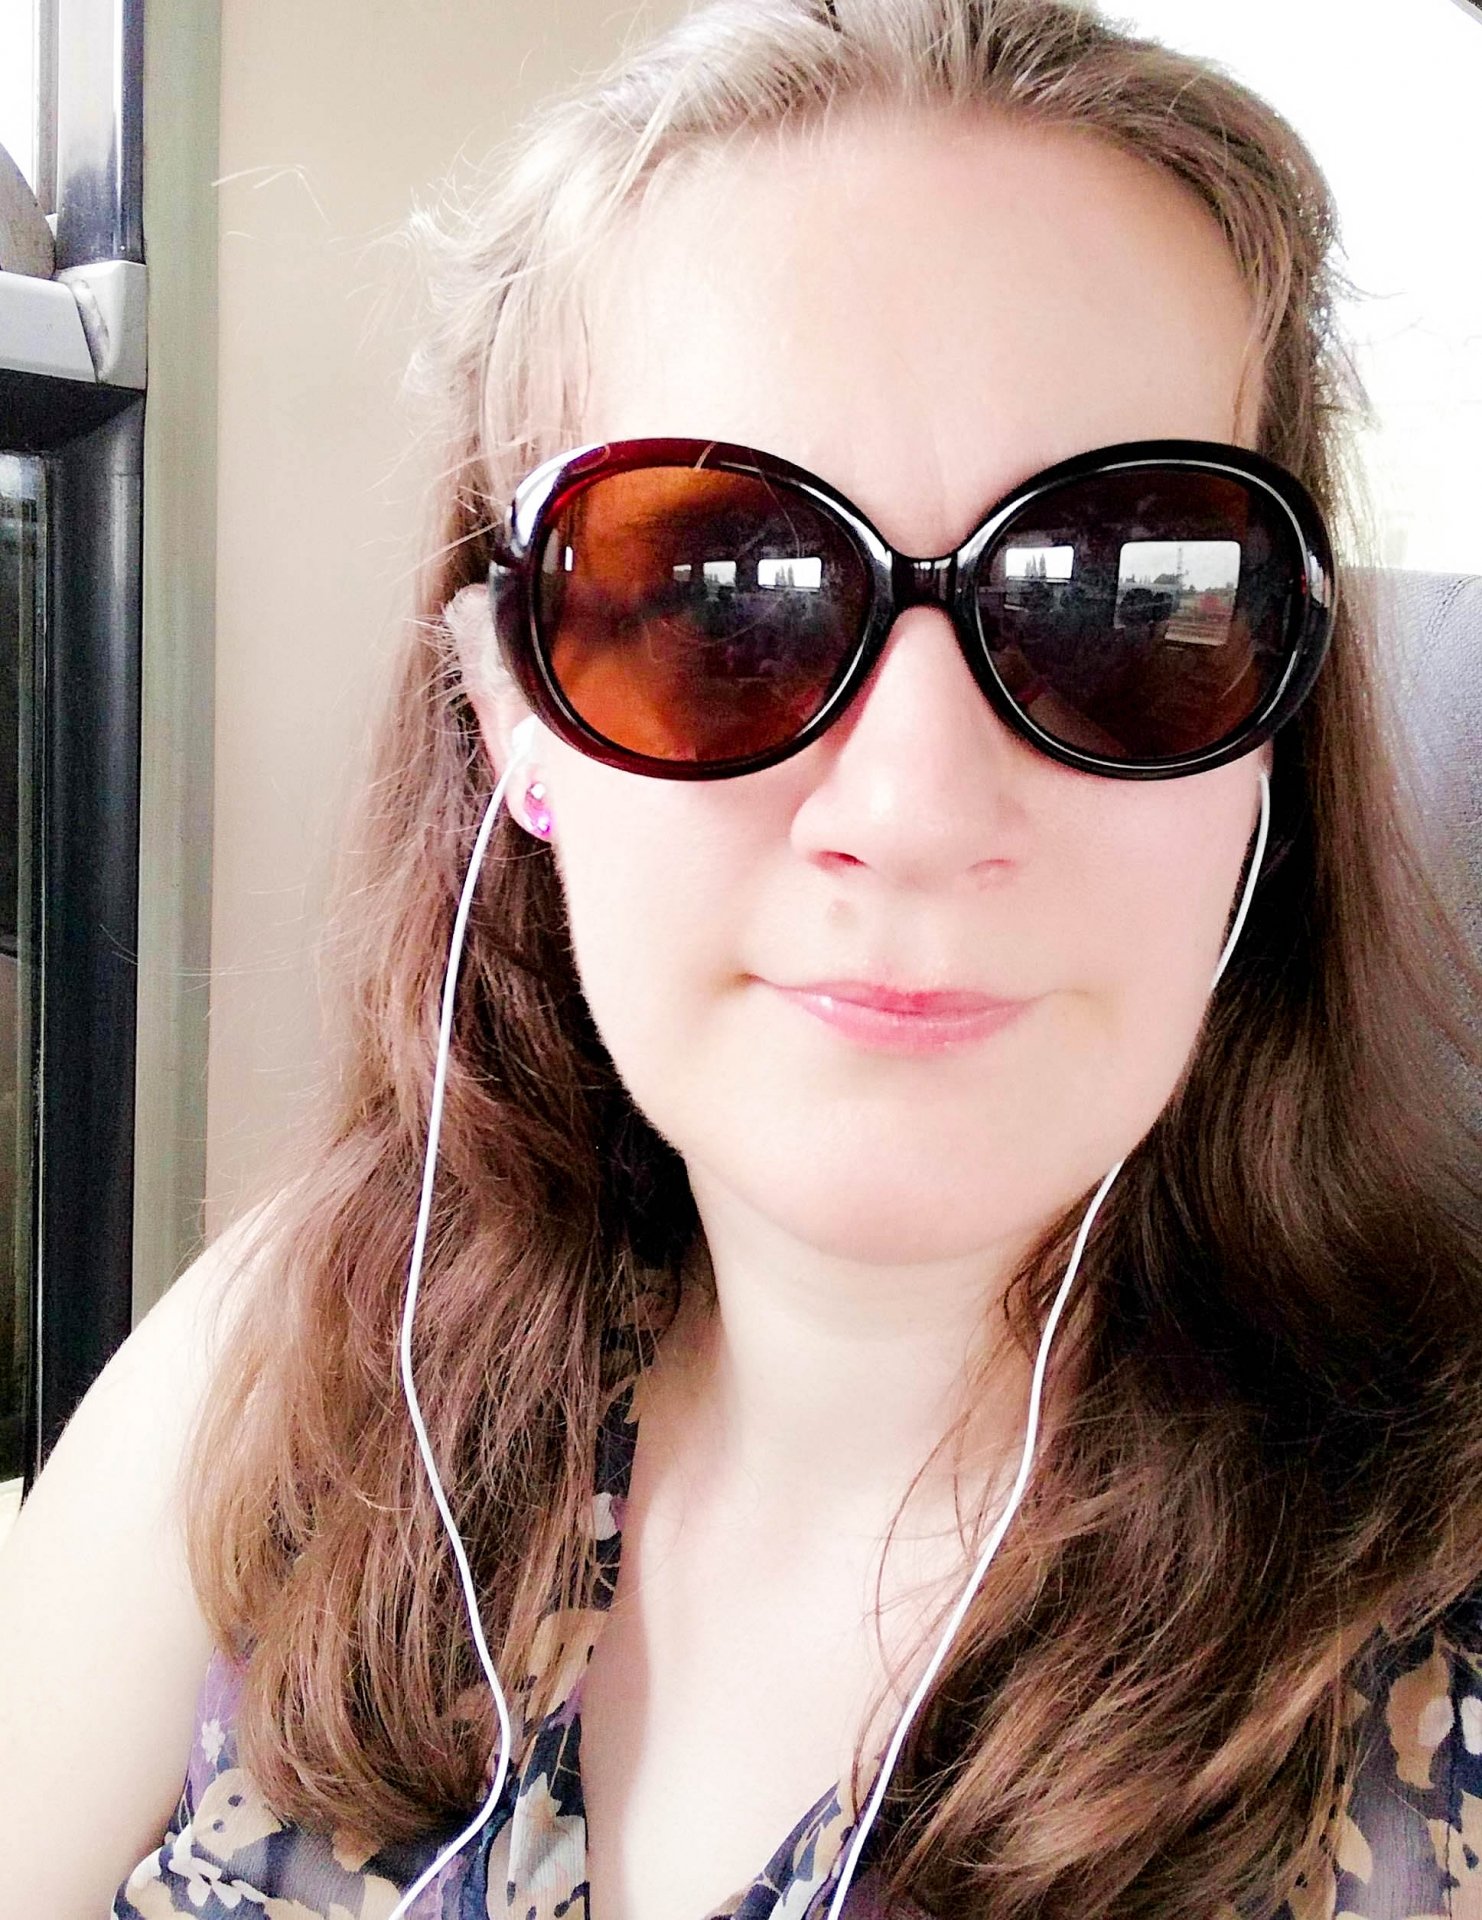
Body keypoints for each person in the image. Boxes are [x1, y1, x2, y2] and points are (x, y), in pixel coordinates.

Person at [2, 0, 1479, 1915]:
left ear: (1270, 732)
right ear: (511, 715)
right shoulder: (288, 1366)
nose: (915, 806)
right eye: (714, 599)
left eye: (1121, 601)